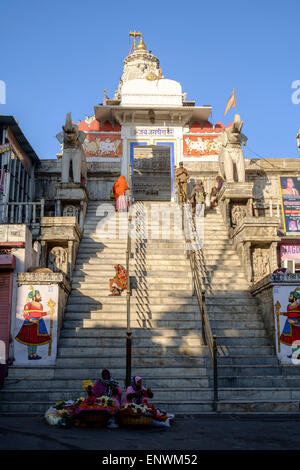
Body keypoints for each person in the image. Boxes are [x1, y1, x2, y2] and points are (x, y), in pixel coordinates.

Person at [15, 287, 52, 360]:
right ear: (34, 297)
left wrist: (48, 313)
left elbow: (40, 314)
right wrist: (31, 320)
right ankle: (30, 354)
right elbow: (25, 315)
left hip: (39, 323)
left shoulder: (40, 305)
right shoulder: (28, 305)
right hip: (30, 324)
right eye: (38, 295)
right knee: (30, 340)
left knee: (35, 340)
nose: (40, 296)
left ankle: (34, 354)